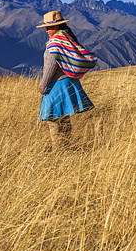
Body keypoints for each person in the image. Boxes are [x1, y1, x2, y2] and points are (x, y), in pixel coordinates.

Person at [37, 11, 96, 149]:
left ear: (55, 27)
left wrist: (43, 85)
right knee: (64, 118)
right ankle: (67, 146)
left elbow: (50, 67)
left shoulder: (54, 43)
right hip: (68, 84)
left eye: (48, 27)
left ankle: (58, 149)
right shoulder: (66, 39)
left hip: (56, 86)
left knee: (53, 119)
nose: (46, 30)